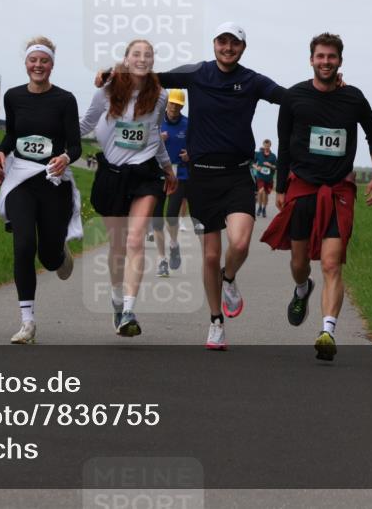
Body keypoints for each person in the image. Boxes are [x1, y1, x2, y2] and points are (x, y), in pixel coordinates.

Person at [97, 23, 293, 350]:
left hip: (236, 176)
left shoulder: (252, 80)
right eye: (222, 42)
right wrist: (112, 74)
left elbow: (288, 98)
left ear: (243, 48)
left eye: (234, 43)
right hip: (201, 179)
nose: (228, 48)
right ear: (215, 43)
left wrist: (323, 89)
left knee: (241, 242)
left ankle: (229, 279)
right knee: (210, 254)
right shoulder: (197, 74)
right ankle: (216, 322)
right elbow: (151, 76)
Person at [260, 32, 372, 362]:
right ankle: (302, 288)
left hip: (339, 189)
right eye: (320, 56)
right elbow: (283, 143)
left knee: (332, 263)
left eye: (332, 57)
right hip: (302, 185)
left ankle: (327, 330)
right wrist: (281, 186)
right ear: (311, 60)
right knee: (299, 263)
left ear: (340, 61)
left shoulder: (353, 98)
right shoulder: (295, 97)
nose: (326, 61)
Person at [81, 39, 177, 336]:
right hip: (112, 174)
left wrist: (167, 167)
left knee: (136, 240)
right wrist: (58, 143)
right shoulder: (107, 91)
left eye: (148, 55)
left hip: (145, 175)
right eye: (137, 54)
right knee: (118, 246)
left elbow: (152, 138)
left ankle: (130, 310)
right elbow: (85, 125)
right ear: (126, 58)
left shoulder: (159, 96)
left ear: (152, 62)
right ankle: (116, 299)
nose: (142, 59)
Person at [0, 37, 83, 344]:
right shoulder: (14, 96)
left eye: (44, 61)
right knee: (23, 244)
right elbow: (12, 137)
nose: (38, 66)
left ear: (52, 65)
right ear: (26, 63)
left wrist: (65, 158)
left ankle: (58, 252)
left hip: (52, 180)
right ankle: (27, 322)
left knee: (47, 256)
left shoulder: (65, 99)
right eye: (33, 60)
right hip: (20, 179)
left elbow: (76, 145)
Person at [151, 89, 189, 277]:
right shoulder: (154, 122)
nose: (174, 106)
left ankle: (173, 244)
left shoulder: (188, 124)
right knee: (157, 221)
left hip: (179, 175)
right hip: (157, 174)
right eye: (171, 103)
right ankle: (161, 260)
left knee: (171, 215)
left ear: (182, 106)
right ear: (166, 104)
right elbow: (142, 144)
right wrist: (156, 140)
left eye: (177, 104)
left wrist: (190, 154)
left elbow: (197, 145)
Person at [253, 139, 278, 217]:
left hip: (269, 178)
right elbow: (252, 163)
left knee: (266, 194)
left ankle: (264, 208)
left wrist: (270, 165)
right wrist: (257, 168)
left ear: (270, 146)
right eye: (265, 145)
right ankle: (260, 207)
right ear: (263, 145)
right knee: (261, 191)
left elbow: (276, 167)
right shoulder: (259, 154)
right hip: (260, 176)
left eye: (268, 146)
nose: (266, 147)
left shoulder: (273, 156)